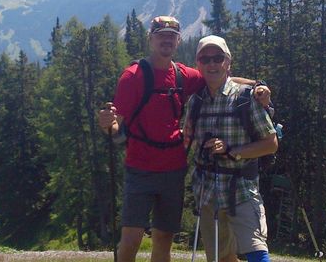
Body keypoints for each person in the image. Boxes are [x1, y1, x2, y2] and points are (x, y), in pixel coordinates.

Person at [98, 16, 265, 262]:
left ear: (177, 41)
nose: (166, 39)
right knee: (131, 239)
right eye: (160, 35)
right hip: (139, 168)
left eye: (171, 36)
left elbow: (218, 78)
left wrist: (257, 86)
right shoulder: (132, 76)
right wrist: (107, 124)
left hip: (173, 170)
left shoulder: (182, 75)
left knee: (163, 239)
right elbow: (115, 125)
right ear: (151, 39)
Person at [184, 35, 277, 262]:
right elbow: (187, 140)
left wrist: (230, 150)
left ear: (228, 62)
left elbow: (271, 144)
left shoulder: (247, 99)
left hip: (242, 190)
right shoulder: (195, 102)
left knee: (256, 252)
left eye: (218, 58)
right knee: (221, 257)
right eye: (205, 59)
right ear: (198, 64)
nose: (212, 64)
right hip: (207, 194)